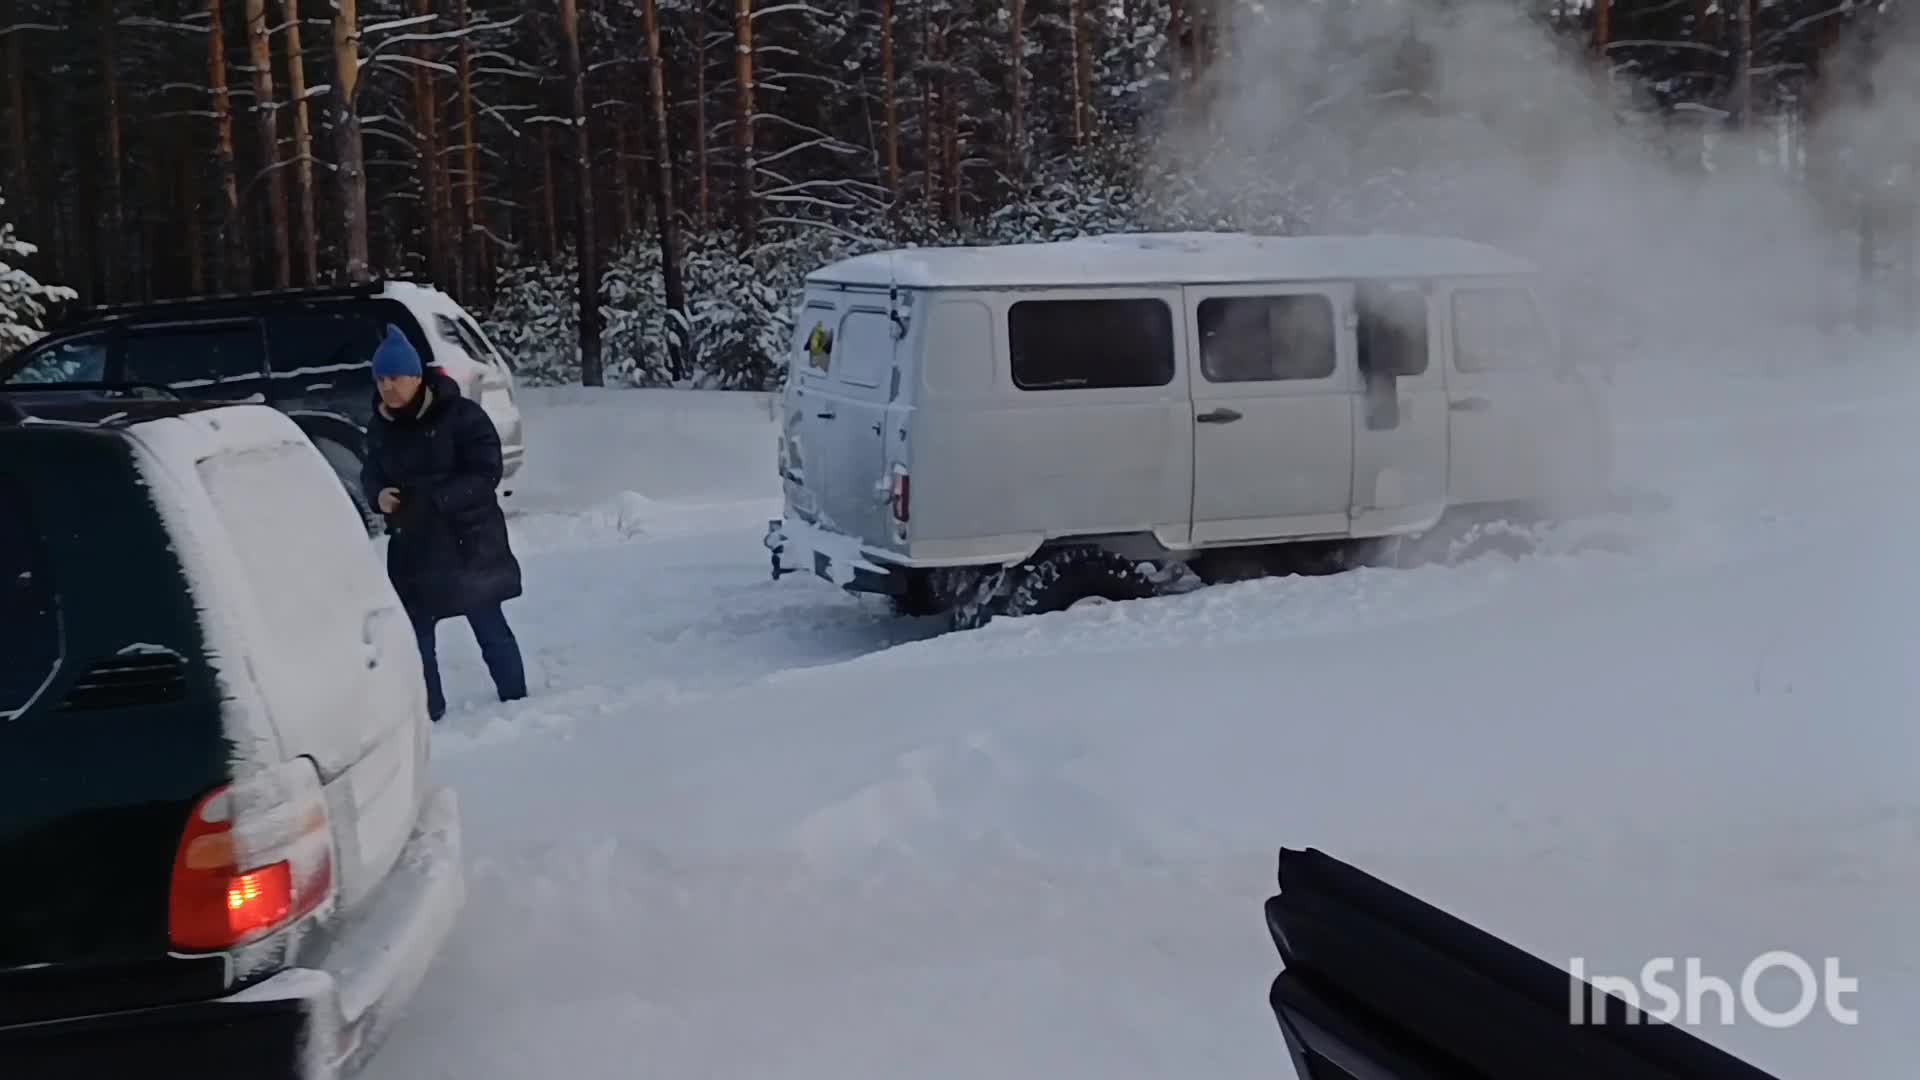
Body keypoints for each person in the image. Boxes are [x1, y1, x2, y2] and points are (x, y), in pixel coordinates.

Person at [360, 325, 527, 721]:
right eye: (380, 379)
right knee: (416, 639)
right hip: (412, 551)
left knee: (489, 626)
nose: (386, 387)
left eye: (394, 378)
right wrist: (378, 495)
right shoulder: (380, 426)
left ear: (416, 378)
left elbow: (487, 472)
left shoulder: (461, 415)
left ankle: (518, 704)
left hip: (466, 543)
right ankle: (430, 716)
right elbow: (371, 472)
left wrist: (434, 501)